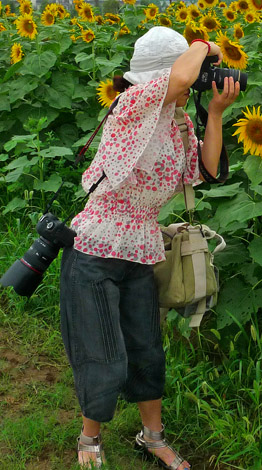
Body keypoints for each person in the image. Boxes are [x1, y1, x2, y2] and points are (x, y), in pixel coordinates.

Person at [60, 26, 240, 469]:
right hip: (96, 248)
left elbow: (209, 169)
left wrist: (214, 112)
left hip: (141, 247)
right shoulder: (131, 105)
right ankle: (89, 439)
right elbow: (178, 80)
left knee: (145, 348)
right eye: (197, 73)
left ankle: (152, 436)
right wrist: (207, 47)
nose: (199, 78)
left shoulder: (178, 121)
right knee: (102, 351)